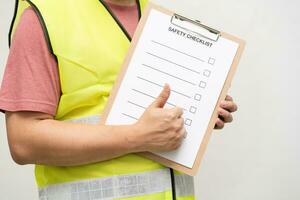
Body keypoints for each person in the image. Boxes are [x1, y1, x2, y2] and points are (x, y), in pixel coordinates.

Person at [0, 0, 238, 199]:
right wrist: (138, 137)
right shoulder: (43, 16)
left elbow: (154, 113)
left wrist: (200, 110)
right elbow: (23, 141)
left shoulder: (156, 15)